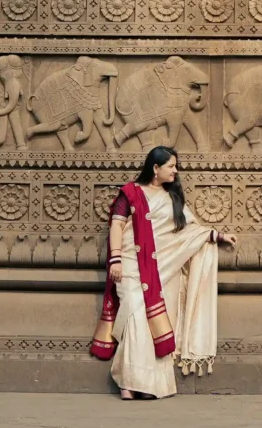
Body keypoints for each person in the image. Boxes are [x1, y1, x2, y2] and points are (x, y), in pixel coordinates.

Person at [89, 146, 234, 399]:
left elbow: (188, 232)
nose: (175, 171)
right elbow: (116, 226)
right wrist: (115, 261)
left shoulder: (172, 199)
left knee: (150, 324)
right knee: (135, 316)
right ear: (155, 169)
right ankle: (128, 382)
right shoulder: (130, 193)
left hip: (161, 269)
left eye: (175, 166)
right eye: (171, 166)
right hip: (130, 265)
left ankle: (147, 385)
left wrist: (217, 235)